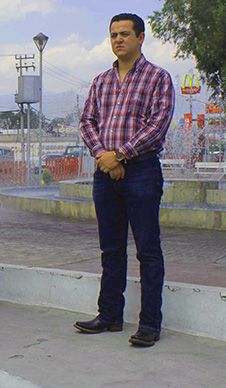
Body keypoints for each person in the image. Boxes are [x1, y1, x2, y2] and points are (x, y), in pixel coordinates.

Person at [75, 13, 175, 347]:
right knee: (111, 248)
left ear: (141, 37)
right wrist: (105, 156)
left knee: (147, 249)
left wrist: (120, 155)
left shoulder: (158, 78)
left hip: (142, 172)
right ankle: (110, 315)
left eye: (125, 34)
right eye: (113, 34)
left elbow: (157, 125)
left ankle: (150, 323)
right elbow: (87, 121)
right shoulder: (101, 81)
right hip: (105, 174)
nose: (118, 40)